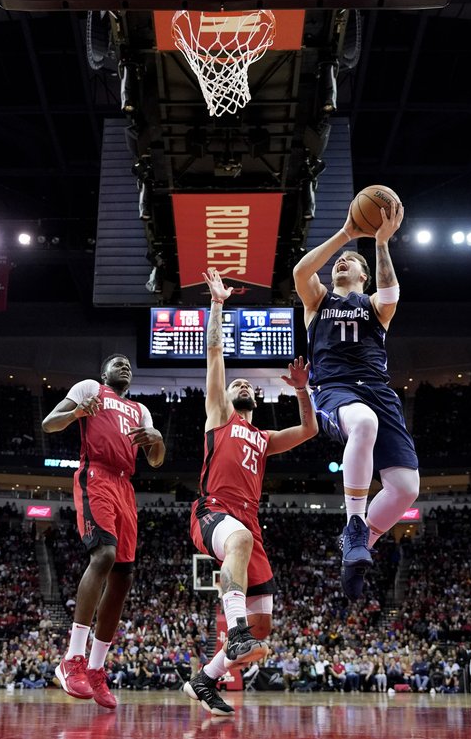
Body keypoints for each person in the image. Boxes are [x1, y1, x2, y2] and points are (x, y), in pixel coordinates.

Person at [183, 268, 318, 715]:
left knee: (262, 629)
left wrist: (302, 391)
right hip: (213, 513)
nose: (241, 385)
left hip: (249, 524)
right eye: (237, 383)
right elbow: (216, 355)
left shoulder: (263, 438)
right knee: (239, 552)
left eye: (247, 385)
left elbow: (310, 428)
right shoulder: (219, 415)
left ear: (257, 400)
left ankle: (203, 680)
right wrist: (218, 304)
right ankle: (234, 629)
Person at [291, 194, 419, 599]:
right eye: (337, 263)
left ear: (364, 276)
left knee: (405, 488)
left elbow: (391, 293)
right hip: (334, 390)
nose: (340, 262)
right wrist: (348, 232)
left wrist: (380, 243)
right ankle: (355, 526)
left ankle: (357, 549)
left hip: (378, 391)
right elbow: (299, 270)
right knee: (363, 423)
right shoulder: (318, 301)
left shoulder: (375, 305)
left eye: (350, 261)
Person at [42, 354, 166, 709]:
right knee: (105, 555)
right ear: (104, 372)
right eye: (117, 362)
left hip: (126, 486)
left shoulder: (141, 409)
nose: (124, 365)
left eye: (128, 364)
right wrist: (78, 412)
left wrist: (157, 439)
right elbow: (50, 423)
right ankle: (72, 659)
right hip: (95, 476)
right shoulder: (90, 389)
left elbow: (156, 460)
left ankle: (96, 669)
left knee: (124, 576)